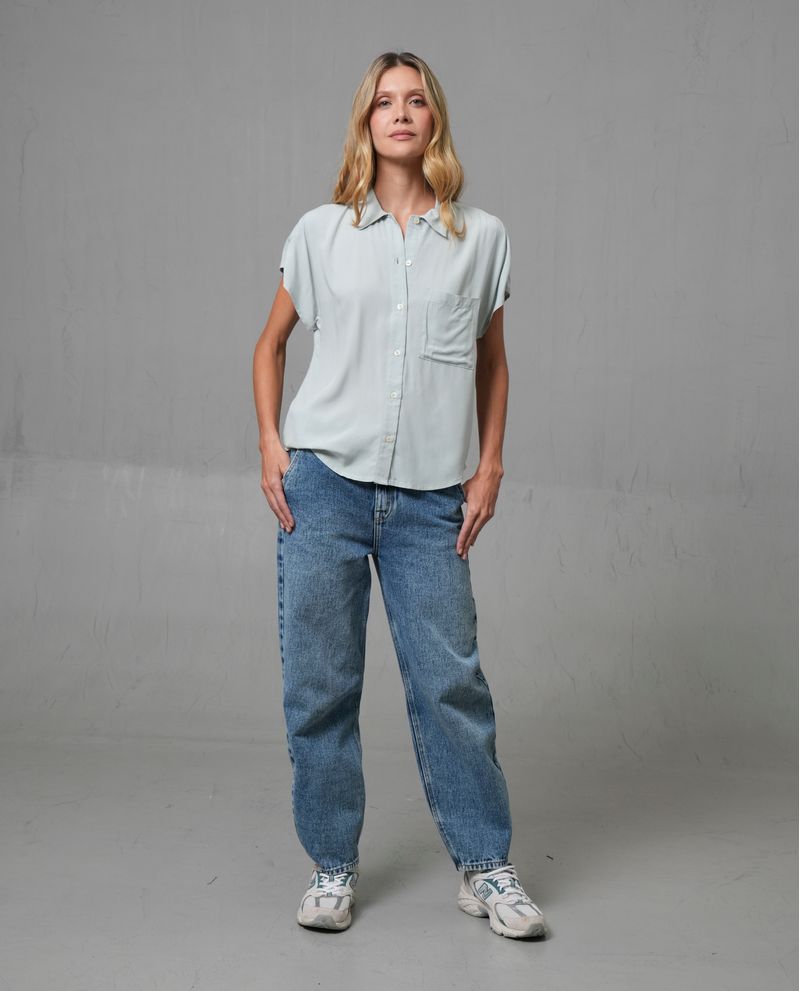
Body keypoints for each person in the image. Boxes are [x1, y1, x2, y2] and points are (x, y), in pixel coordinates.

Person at [252, 51, 547, 940]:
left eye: (416, 99)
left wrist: (490, 464)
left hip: (428, 501)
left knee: (452, 685)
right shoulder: (321, 232)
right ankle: (330, 866)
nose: (401, 112)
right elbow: (270, 344)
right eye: (385, 101)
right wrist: (270, 443)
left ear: (434, 119)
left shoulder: (480, 237)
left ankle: (485, 865)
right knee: (321, 686)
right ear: (366, 122)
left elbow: (494, 362)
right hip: (324, 489)